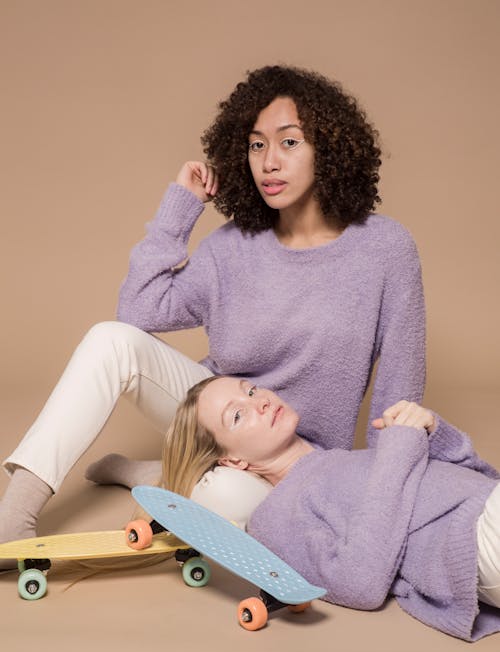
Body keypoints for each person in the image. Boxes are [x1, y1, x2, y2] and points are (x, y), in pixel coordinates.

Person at [1, 65, 425, 553]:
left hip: (301, 457)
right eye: (256, 144)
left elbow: (401, 392)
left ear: (327, 149)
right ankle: (15, 515)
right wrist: (179, 209)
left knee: (229, 501)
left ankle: (167, 472)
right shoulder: (232, 247)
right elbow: (137, 310)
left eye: (289, 142)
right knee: (108, 338)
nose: (269, 162)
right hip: (222, 415)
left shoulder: (385, 249)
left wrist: (379, 495)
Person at [160, 375, 500, 642]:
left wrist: (431, 430)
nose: (259, 402)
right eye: (237, 415)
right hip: (474, 540)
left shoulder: (342, 458)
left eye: (250, 391)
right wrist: (400, 448)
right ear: (233, 459)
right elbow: (359, 584)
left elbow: (481, 478)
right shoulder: (275, 517)